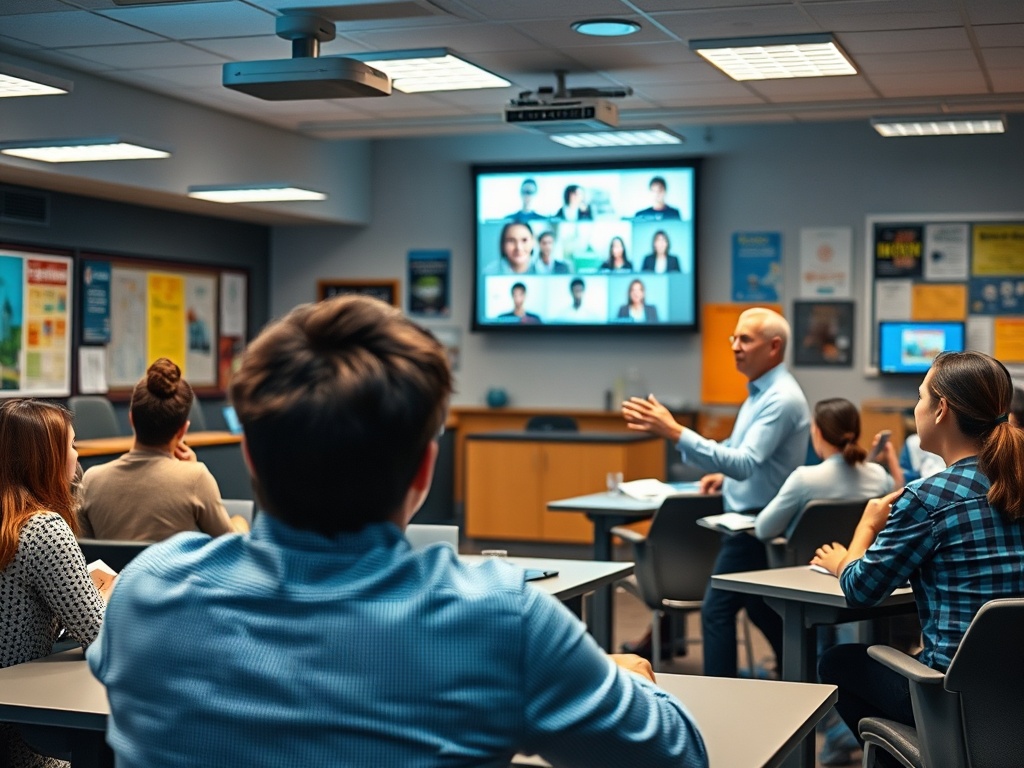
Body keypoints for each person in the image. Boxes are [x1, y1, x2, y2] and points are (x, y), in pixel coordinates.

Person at [89, 295, 709, 768]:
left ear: (249, 458)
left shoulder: (148, 594)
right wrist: (631, 682)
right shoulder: (500, 620)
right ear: (424, 468)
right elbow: (679, 756)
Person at [812, 351, 1024, 753]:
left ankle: (923, 754)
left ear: (941, 409)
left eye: (920, 396)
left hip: (956, 699)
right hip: (1017, 691)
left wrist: (862, 534)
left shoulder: (927, 499)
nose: (917, 406)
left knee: (837, 662)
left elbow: (860, 591)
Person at [622, 308, 810, 675]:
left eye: (745, 340)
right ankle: (803, 672)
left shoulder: (780, 398)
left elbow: (745, 461)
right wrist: (723, 478)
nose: (735, 347)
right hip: (748, 517)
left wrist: (676, 432)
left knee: (717, 610)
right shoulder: (760, 392)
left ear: (774, 347)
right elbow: (746, 453)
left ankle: (726, 690)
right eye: (733, 339)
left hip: (757, 522)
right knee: (759, 606)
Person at [0, 399, 107, 768]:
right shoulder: (43, 529)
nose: (78, 456)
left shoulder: (11, 525)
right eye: (73, 445)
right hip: (26, 741)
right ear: (47, 458)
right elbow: (101, 636)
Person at [79, 358, 247, 541]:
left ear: (131, 420)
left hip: (117, 571)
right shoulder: (196, 479)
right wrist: (241, 522)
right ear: (183, 429)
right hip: (178, 571)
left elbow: (84, 552)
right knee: (241, 519)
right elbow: (230, 545)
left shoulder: (92, 481)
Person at [754, 398, 895, 542]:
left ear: (818, 433)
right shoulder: (879, 477)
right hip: (858, 561)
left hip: (806, 564)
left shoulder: (804, 480)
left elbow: (764, 530)